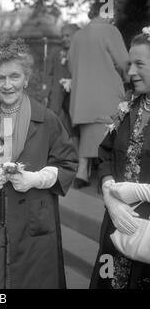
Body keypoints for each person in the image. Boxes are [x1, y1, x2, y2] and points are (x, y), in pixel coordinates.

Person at [0, 38, 78, 288]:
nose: (8, 85)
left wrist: (35, 179)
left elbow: (68, 162)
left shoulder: (47, 119)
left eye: (14, 77)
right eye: (0, 78)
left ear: (26, 79)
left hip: (33, 222)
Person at [90, 28, 150, 289]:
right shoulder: (129, 108)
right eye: (129, 65)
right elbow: (104, 154)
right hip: (116, 226)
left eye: (140, 64)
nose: (131, 73)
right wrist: (108, 193)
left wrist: (143, 191)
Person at [68, 0, 129, 188]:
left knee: (88, 135)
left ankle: (82, 173)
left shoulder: (78, 35)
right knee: (109, 139)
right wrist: (130, 80)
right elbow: (124, 62)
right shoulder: (110, 31)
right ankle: (106, 179)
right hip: (107, 95)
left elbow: (71, 65)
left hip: (83, 98)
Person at [45, 23, 79, 137]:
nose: (64, 39)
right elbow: (48, 74)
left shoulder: (82, 52)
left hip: (75, 97)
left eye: (67, 36)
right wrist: (46, 94)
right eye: (62, 36)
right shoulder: (56, 53)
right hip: (57, 98)